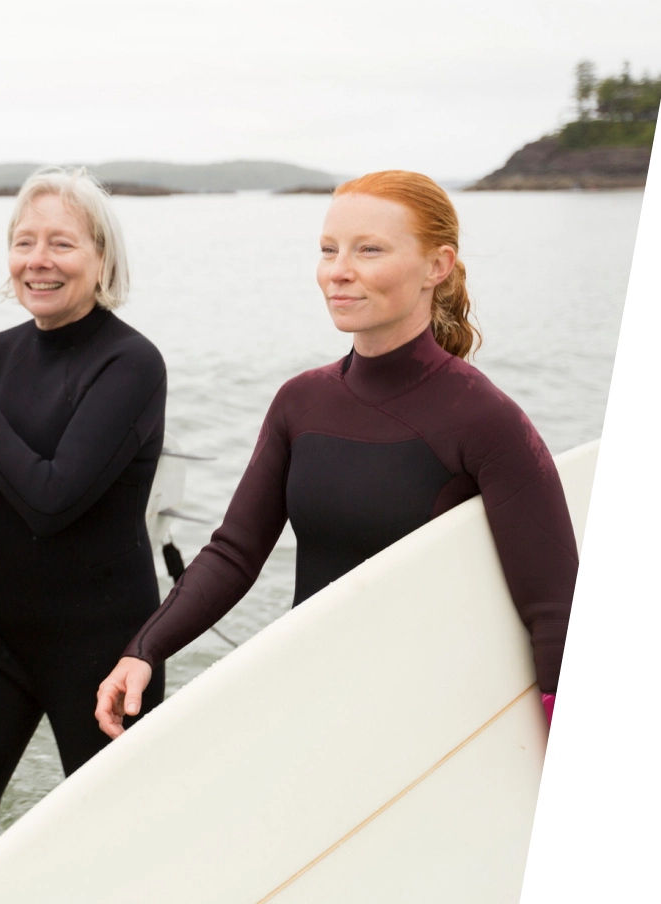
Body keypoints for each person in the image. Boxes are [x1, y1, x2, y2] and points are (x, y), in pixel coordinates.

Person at [96, 170, 573, 740]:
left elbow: (552, 603)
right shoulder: (300, 403)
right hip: (313, 701)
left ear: (436, 267)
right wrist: (145, 649)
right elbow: (235, 553)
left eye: (369, 249)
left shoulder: (483, 417)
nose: (338, 270)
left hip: (431, 722)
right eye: (328, 250)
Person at [0, 166, 168, 868]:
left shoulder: (130, 363)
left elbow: (51, 500)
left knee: (119, 846)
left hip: (101, 645)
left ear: (100, 258)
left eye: (61, 243)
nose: (39, 260)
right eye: (24, 242)